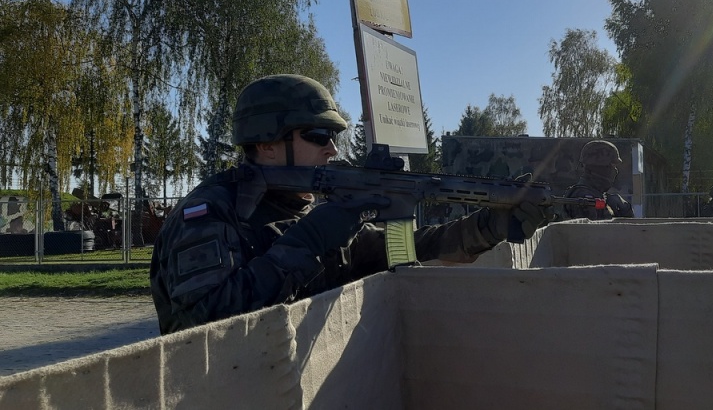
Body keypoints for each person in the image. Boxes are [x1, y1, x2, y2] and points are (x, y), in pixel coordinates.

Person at [150, 74, 550, 334]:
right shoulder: (208, 213)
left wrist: (489, 227)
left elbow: (404, 250)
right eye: (319, 135)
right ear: (267, 143)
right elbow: (202, 327)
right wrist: (308, 241)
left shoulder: (304, 209)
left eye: (334, 136)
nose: (333, 148)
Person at [561, 140, 634, 220]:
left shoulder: (595, 193)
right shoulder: (584, 197)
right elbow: (595, 231)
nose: (615, 171)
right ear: (600, 168)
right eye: (612, 166)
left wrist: (625, 210)